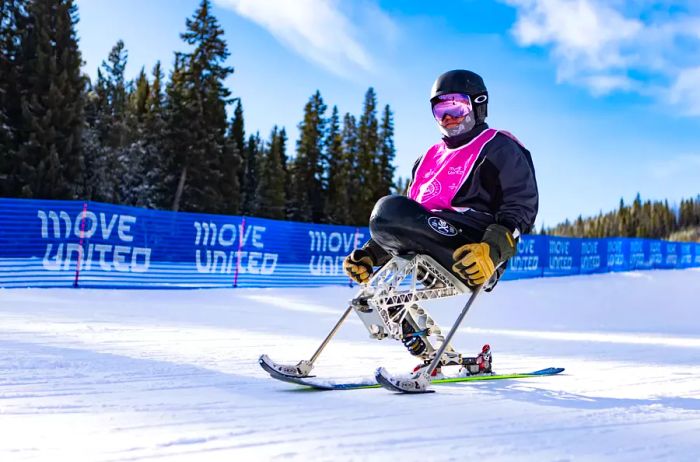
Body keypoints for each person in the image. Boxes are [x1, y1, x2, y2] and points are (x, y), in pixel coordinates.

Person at [343, 70, 538, 373]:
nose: (448, 117)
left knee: (388, 208)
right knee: (381, 279)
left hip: (471, 249)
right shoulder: (427, 159)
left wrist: (492, 250)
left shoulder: (499, 146)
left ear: (479, 105)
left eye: (456, 107)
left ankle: (425, 342)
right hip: (429, 246)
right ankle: (437, 352)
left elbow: (520, 206)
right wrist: (372, 253)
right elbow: (411, 220)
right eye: (440, 110)